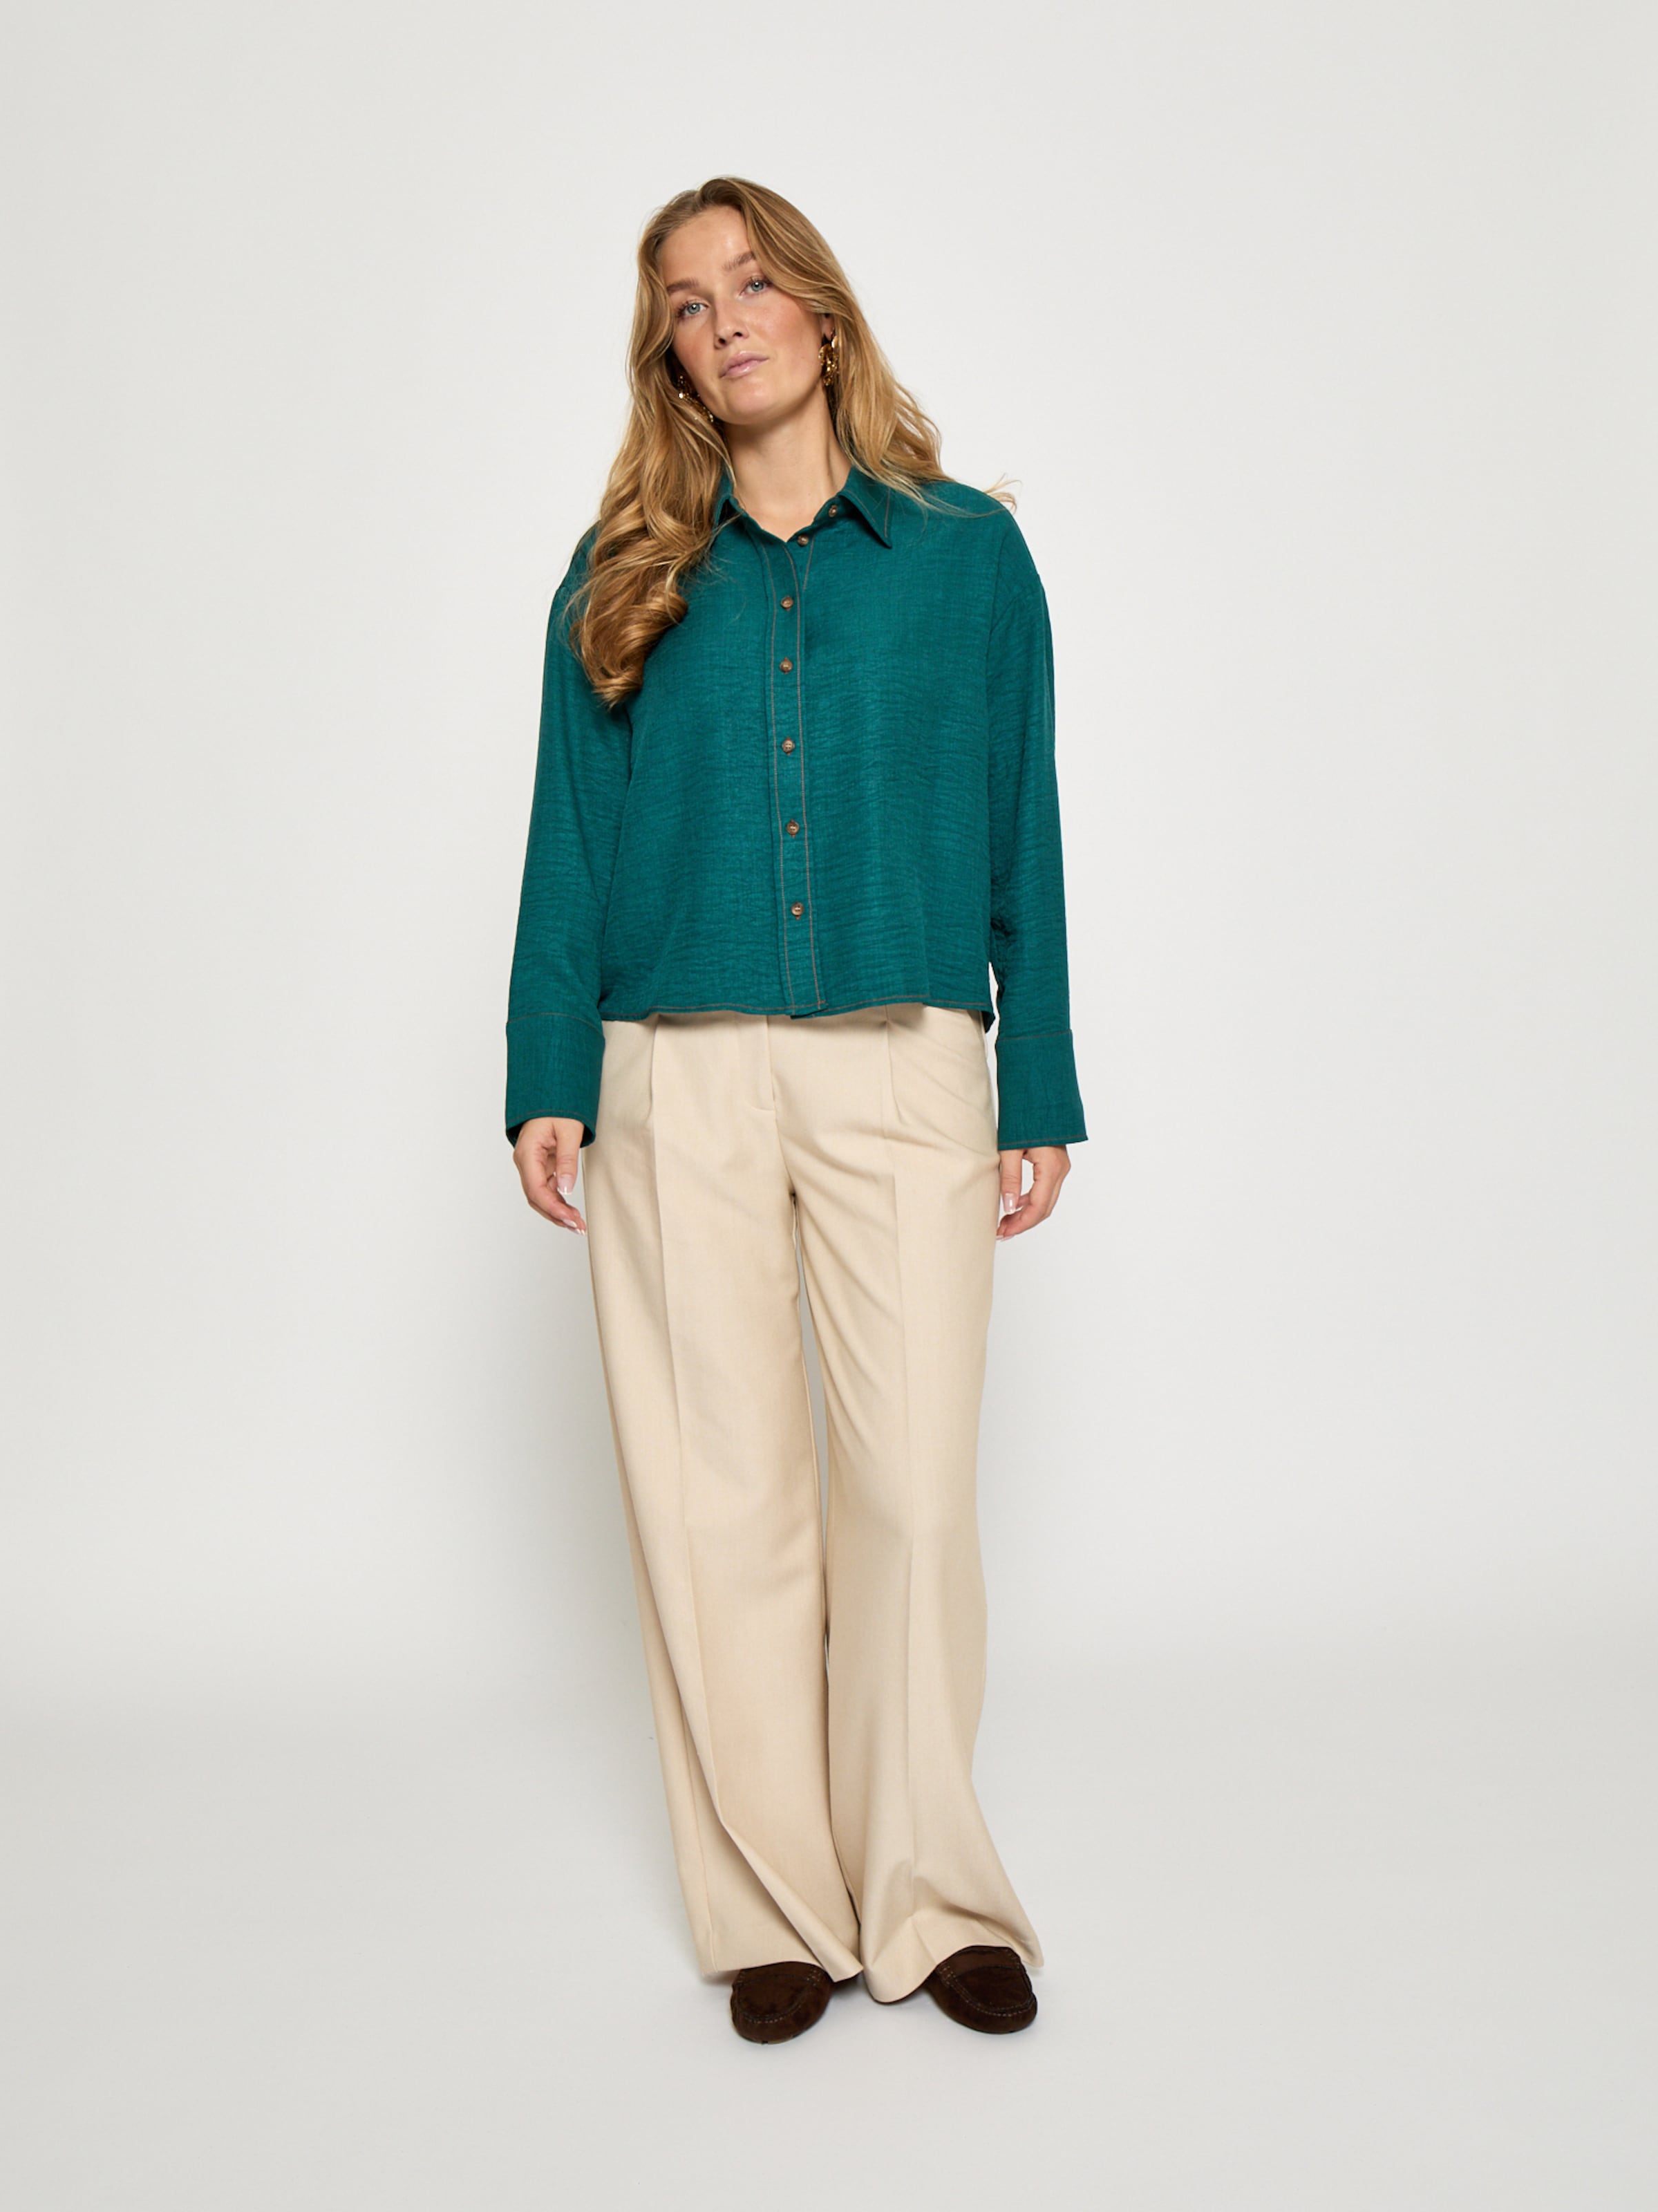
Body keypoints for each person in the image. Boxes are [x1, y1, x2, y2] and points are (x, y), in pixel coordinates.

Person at [505, 176, 1086, 2044]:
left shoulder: (967, 555)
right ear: (669, 359)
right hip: (673, 1070)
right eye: (687, 302)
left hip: (903, 1061)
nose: (727, 318)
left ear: (820, 313)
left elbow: (1023, 820)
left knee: (908, 1493)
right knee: (721, 1498)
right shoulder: (619, 574)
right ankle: (771, 1905)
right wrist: (546, 1071)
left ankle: (930, 1895)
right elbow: (568, 835)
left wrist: (1039, 1073)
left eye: (753, 282)